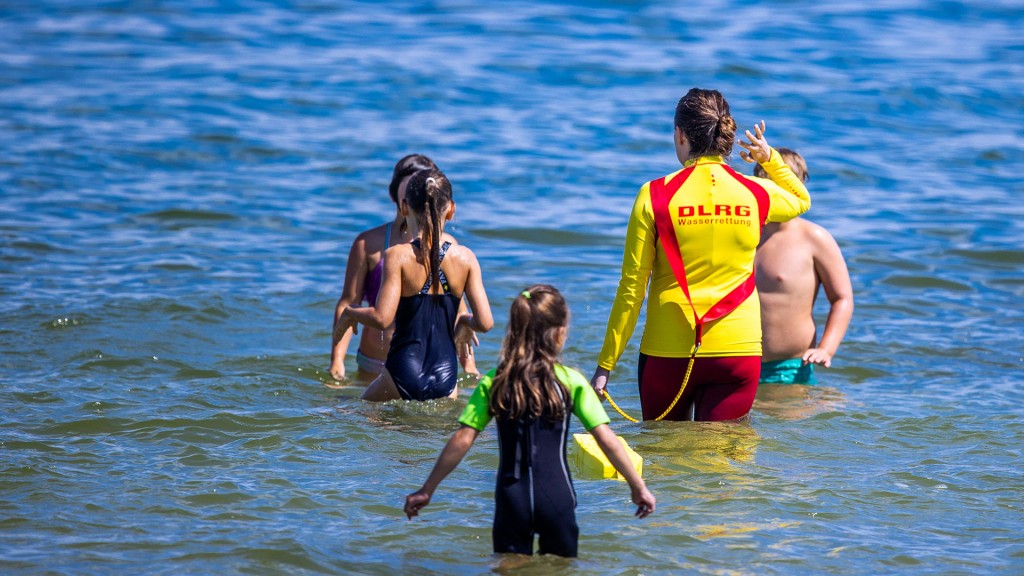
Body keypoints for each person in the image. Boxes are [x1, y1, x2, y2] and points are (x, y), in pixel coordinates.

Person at [591, 87, 811, 422]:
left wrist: (606, 364)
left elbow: (632, 290)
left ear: (680, 135)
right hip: (738, 352)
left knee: (665, 462)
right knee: (724, 463)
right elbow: (801, 199)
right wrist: (770, 159)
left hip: (668, 352)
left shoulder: (654, 195)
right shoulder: (755, 193)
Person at [404, 285, 655, 557]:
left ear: (515, 329)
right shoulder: (570, 381)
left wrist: (427, 489)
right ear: (560, 333)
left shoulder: (495, 381)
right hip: (556, 498)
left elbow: (463, 439)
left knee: (509, 567)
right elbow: (606, 439)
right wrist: (637, 486)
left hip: (513, 499)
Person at [335, 168, 493, 401]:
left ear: (404, 207)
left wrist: (350, 313)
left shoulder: (396, 255)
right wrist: (466, 323)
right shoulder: (466, 258)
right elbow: (486, 322)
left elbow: (382, 318)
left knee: (354, 414)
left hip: (401, 372)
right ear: (451, 210)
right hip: (447, 377)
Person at [754, 148, 853, 384]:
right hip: (735, 361)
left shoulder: (814, 238)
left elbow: (842, 298)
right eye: (767, 183)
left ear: (799, 186)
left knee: (791, 421)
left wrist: (826, 349)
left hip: (791, 368)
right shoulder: (741, 232)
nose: (775, 191)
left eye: (782, 183)